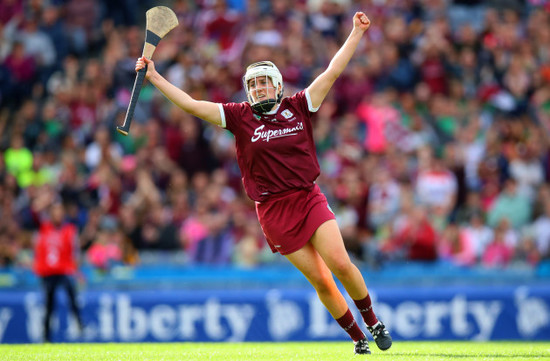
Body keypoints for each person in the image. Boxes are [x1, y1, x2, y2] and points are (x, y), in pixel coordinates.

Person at [135, 12, 391, 354]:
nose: (258, 88)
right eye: (252, 84)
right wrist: (154, 77)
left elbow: (332, 71)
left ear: (278, 85)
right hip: (273, 211)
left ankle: (373, 322)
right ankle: (357, 338)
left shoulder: (298, 106)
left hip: (307, 197)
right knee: (321, 280)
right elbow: (193, 106)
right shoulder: (240, 117)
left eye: (263, 82)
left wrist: (357, 32)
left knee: (341, 264)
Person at [33, 201, 84, 342]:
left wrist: (76, 271)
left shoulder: (69, 230)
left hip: (63, 270)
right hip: (48, 272)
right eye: (56, 212)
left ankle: (79, 322)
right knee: (49, 304)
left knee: (71, 293)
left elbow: (74, 252)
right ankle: (46, 336)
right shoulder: (44, 228)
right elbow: (34, 212)